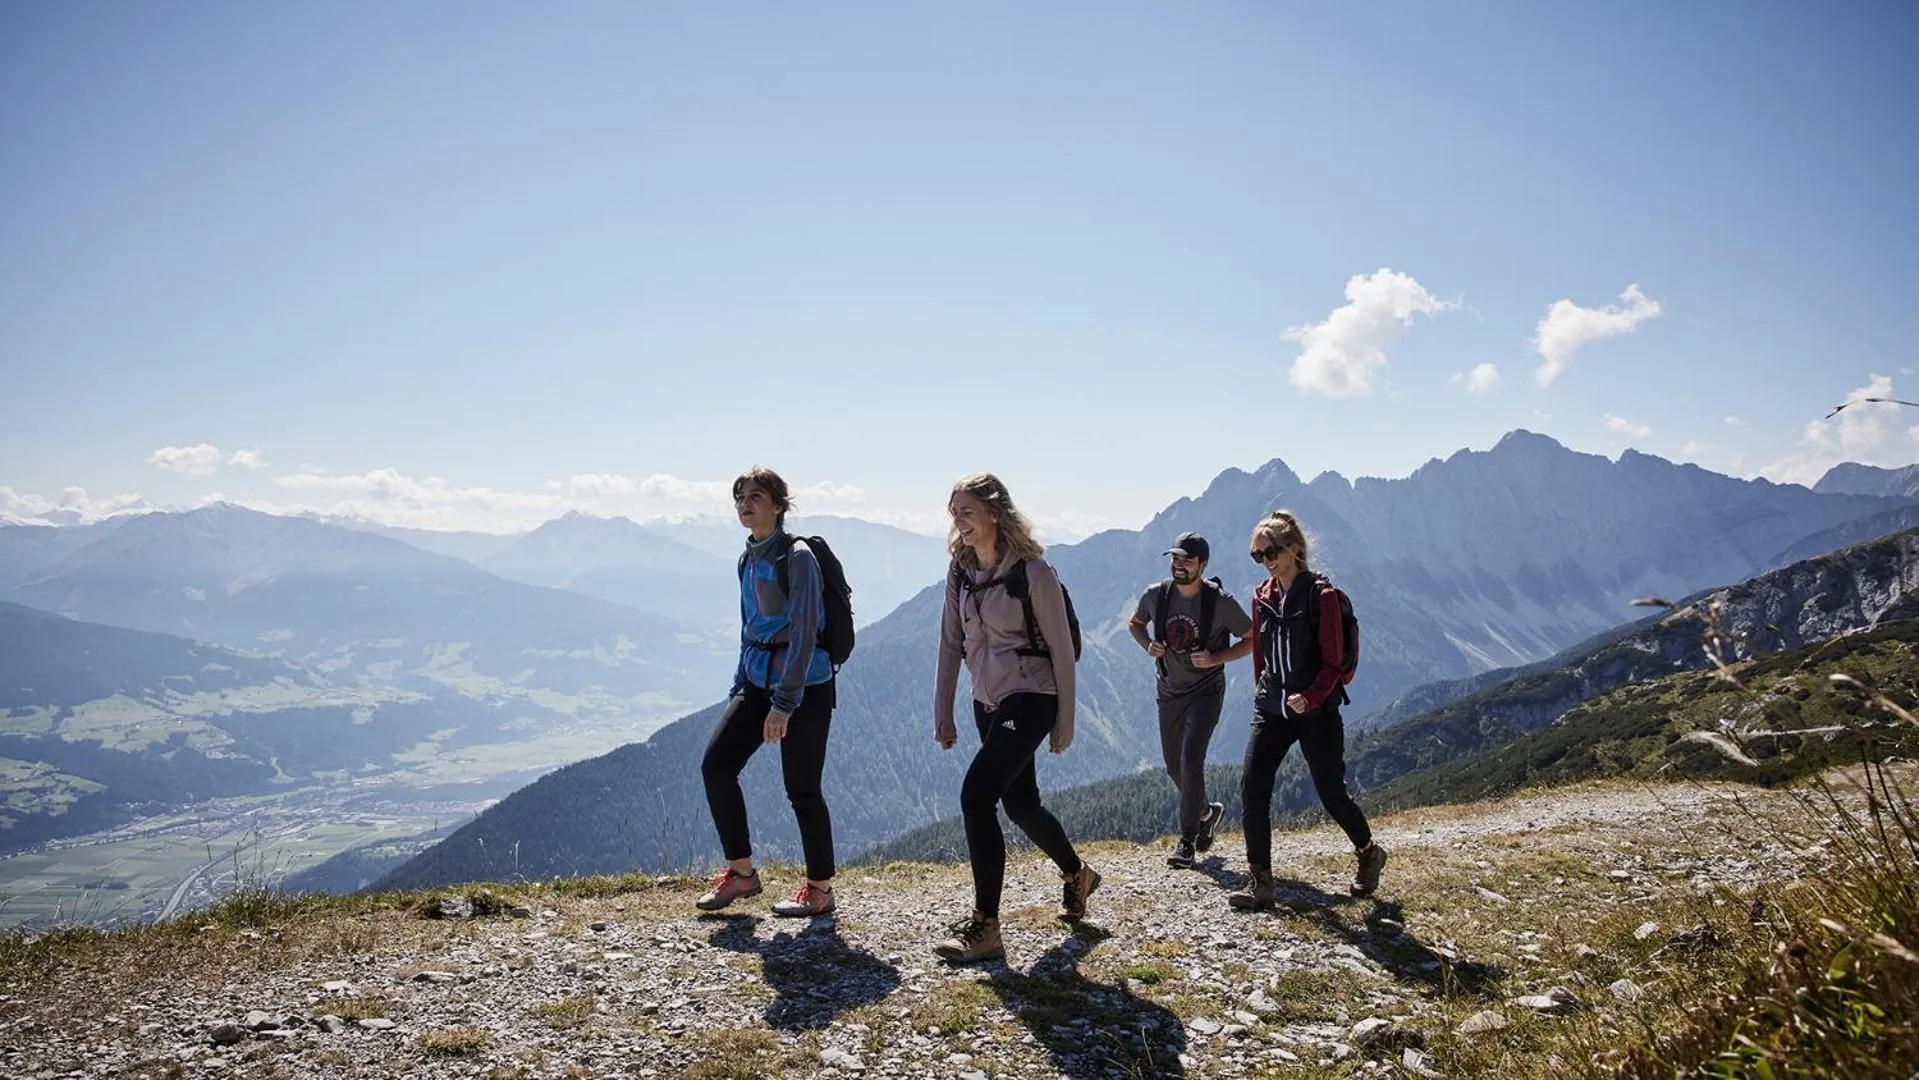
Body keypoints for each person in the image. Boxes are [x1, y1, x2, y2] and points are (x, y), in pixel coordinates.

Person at [931, 472, 1099, 963]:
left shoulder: (1034, 572)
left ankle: (986, 927)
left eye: (967, 512)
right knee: (1021, 803)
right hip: (988, 700)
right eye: (954, 512)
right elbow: (949, 642)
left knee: (976, 796)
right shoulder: (960, 570)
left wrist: (1064, 722)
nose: (959, 521)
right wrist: (943, 711)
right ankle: (1077, 874)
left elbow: (1064, 653)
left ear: (995, 514)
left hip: (1033, 697)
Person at [695, 466, 840, 918]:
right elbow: (749, 626)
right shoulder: (749, 557)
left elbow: (802, 634)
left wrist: (783, 704)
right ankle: (742, 874)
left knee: (802, 789)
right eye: (739, 497)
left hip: (804, 686)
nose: (745, 504)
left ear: (778, 505)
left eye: (755, 496)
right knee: (716, 766)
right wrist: (742, 682)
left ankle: (819, 888)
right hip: (758, 681)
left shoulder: (795, 557)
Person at [1230, 510, 1386, 910]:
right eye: (1257, 554)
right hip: (1273, 708)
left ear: (1294, 549)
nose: (1265, 560)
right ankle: (1261, 881)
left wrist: (1311, 697)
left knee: (1332, 793)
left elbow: (1334, 664)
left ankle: (1369, 852)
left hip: (1316, 710)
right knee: (1253, 786)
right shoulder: (1262, 597)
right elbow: (1261, 657)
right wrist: (1262, 693)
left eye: (1271, 551)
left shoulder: (1323, 596)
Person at [1129, 531, 1253, 868]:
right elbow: (1136, 623)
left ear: (1203, 564)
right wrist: (1147, 645)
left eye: (1186, 559)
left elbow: (1252, 638)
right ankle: (1206, 813)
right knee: (1173, 766)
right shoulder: (1156, 595)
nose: (1178, 565)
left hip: (1205, 692)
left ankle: (1186, 841)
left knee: (1190, 760)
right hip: (1169, 691)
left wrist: (1217, 658)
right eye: (1175, 558)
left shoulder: (1221, 602)